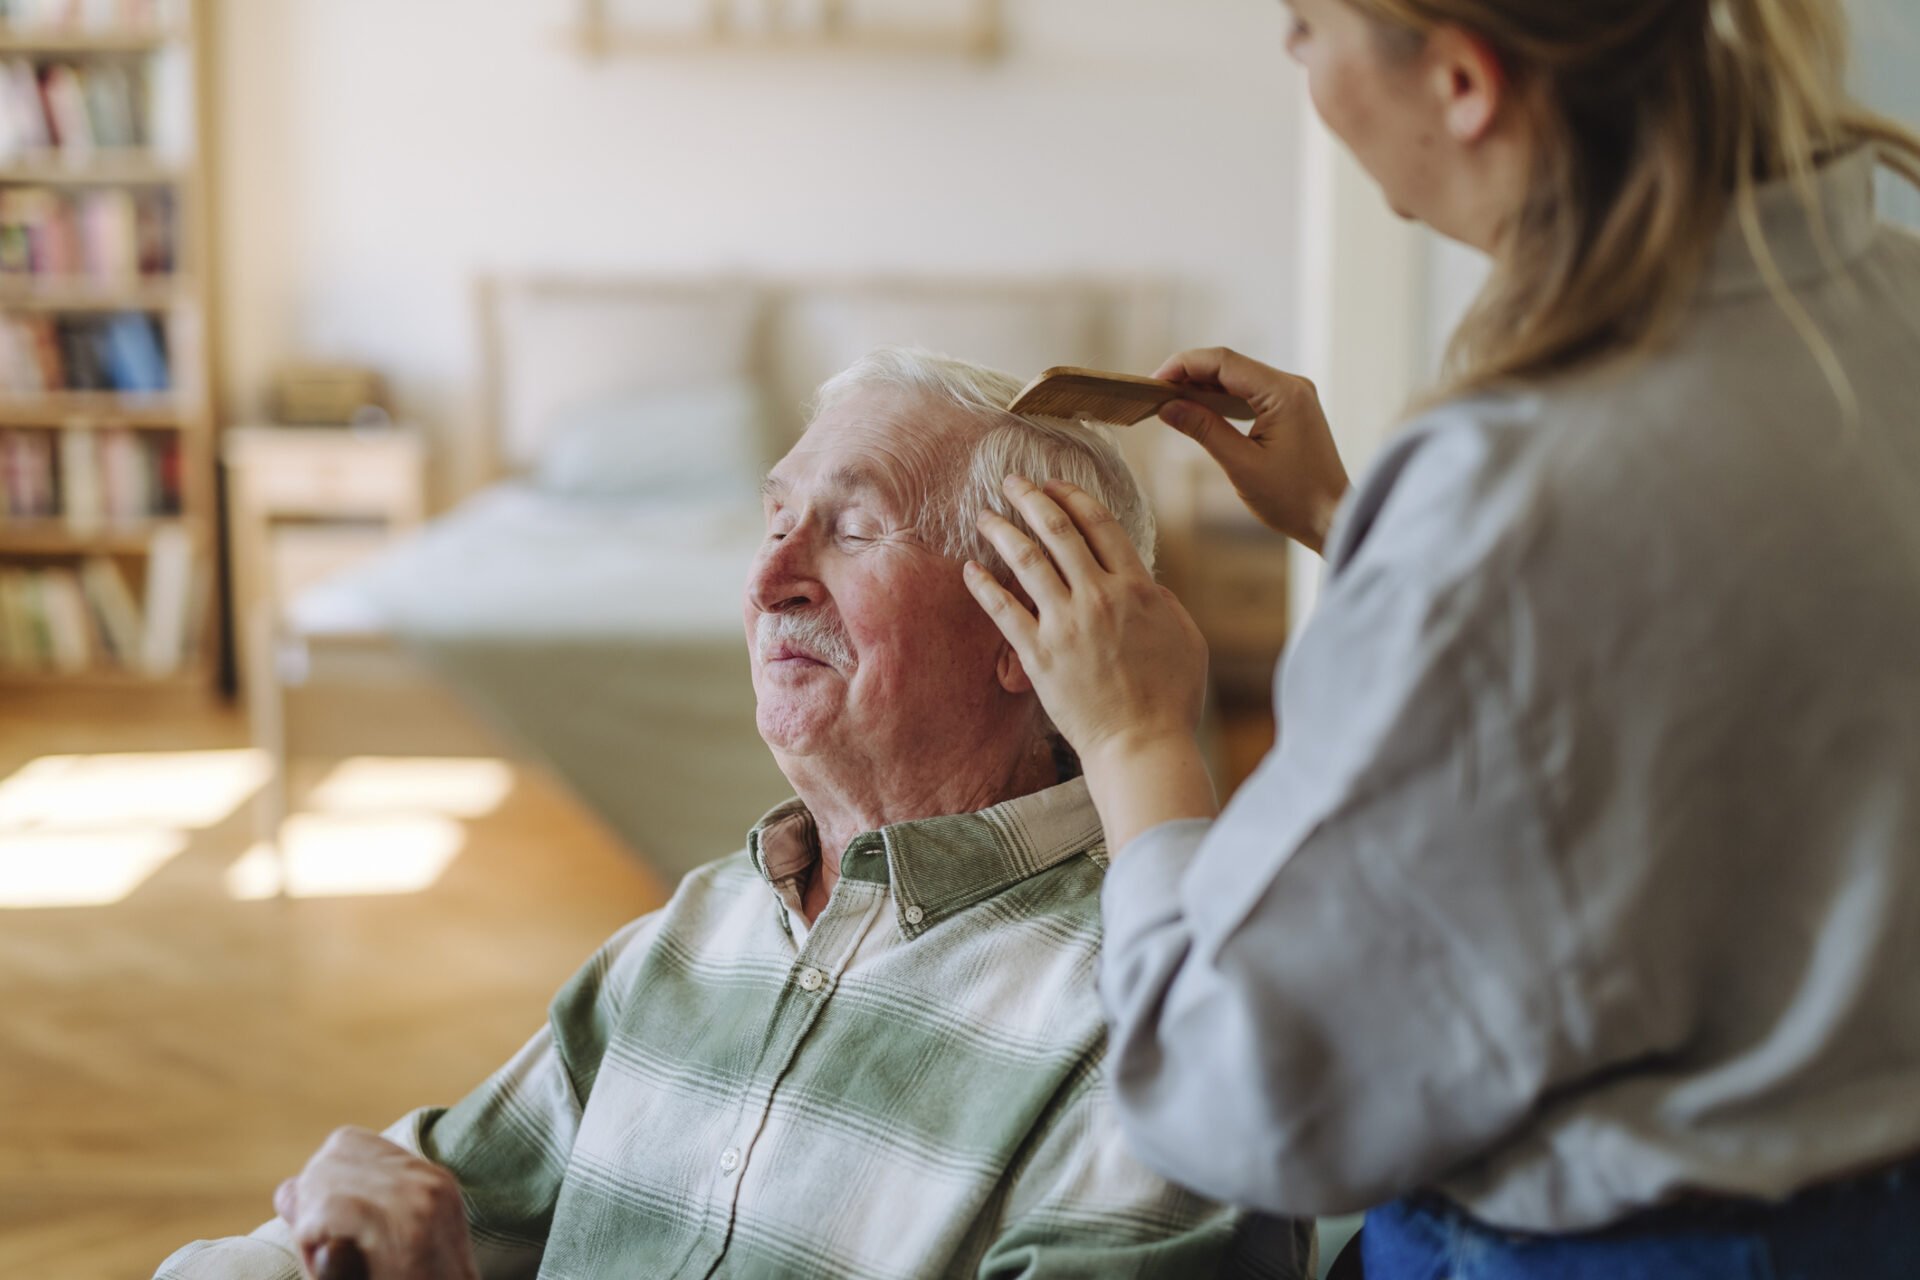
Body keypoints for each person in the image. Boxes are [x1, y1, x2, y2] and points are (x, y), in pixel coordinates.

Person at [960, 1, 1920, 1276]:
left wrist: (1139, 736)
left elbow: (1229, 1093)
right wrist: (1351, 521)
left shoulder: (1516, 482)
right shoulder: (1883, 294)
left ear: (1464, 80)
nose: (1294, 60)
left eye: (1304, 27)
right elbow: (1690, 652)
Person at [154, 348, 1314, 1280]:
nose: (766, 583)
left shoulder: (1156, 1009)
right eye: (771, 521)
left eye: (853, 529)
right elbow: (430, 1188)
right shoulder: (698, 927)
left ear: (1035, 621)